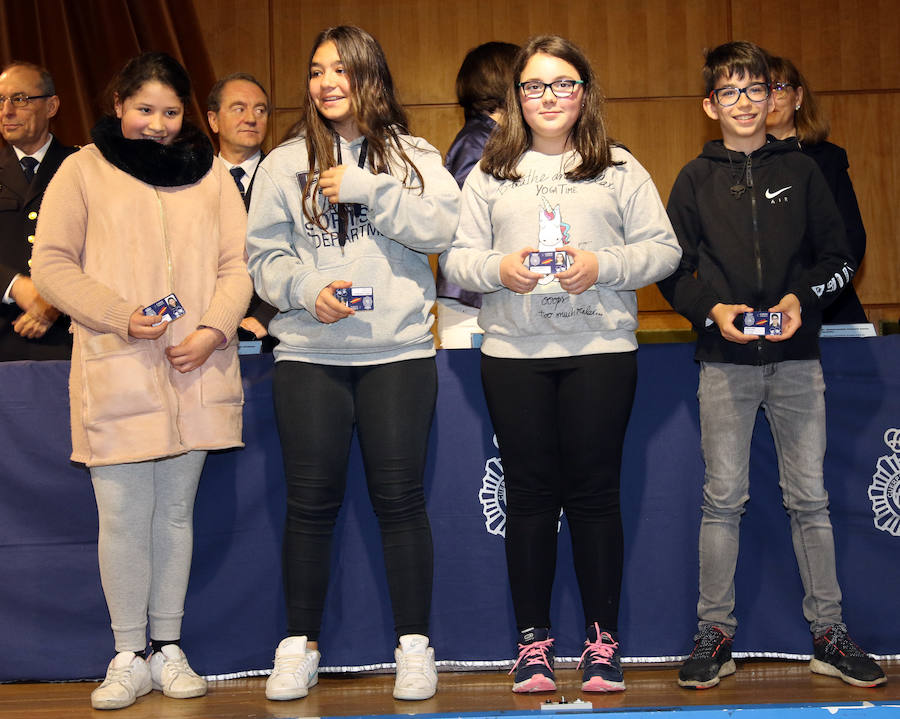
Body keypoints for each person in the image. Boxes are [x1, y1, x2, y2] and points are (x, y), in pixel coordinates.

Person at [440, 35, 681, 694]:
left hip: (600, 352)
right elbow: (455, 259)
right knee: (530, 498)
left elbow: (663, 250)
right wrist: (499, 269)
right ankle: (533, 644)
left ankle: (603, 642)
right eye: (534, 85)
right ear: (517, 97)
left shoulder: (619, 168)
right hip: (514, 355)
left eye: (562, 83)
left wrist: (604, 266)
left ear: (584, 93)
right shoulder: (490, 171)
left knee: (597, 495)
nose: (548, 97)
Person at [657, 40, 885, 690]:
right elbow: (672, 266)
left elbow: (839, 255)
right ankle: (715, 632)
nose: (745, 102)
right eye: (729, 92)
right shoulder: (694, 178)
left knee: (809, 499)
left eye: (755, 89)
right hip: (724, 360)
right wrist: (712, 310)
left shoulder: (806, 171)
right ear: (710, 104)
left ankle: (829, 633)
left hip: (796, 360)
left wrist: (800, 300)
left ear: (772, 97)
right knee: (723, 499)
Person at [31, 52, 252, 710]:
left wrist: (214, 328)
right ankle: (128, 651)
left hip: (196, 366)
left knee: (175, 515)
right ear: (118, 105)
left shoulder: (210, 173)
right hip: (117, 365)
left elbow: (237, 265)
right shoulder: (82, 170)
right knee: (124, 515)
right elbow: (51, 265)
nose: (157, 124)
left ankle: (169, 646)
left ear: (187, 115)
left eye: (171, 111)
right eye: (144, 110)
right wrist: (119, 315)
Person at [245, 25, 460, 702]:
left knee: (400, 501)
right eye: (315, 71)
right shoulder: (282, 163)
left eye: (340, 69)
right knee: (310, 505)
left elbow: (441, 231)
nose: (326, 82)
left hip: (396, 351)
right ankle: (298, 645)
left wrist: (373, 189)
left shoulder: (415, 155)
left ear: (371, 75)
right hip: (310, 352)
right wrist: (308, 290)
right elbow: (264, 256)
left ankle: (415, 648)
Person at [766, 56, 868, 325]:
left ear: (798, 97)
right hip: (761, 309)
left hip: (826, 302)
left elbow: (852, 239)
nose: (770, 98)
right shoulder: (733, 165)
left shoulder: (828, 159)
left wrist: (808, 291)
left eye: (778, 87)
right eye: (760, 89)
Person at [436, 42, 519, 346]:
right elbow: (465, 221)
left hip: (487, 295)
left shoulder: (494, 139)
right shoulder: (477, 142)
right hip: (472, 301)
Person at [0, 61, 76, 360]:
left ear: (52, 105)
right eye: (1, 100)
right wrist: (15, 286)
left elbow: (108, 249)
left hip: (72, 340)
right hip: (7, 340)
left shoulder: (84, 168)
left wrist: (54, 301)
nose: (7, 111)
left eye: (19, 99)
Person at [207, 72, 278, 348]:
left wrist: (266, 317)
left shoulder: (288, 179)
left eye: (260, 110)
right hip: (204, 331)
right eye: (239, 108)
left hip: (271, 333)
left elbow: (309, 255)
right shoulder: (190, 182)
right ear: (213, 120)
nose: (251, 118)